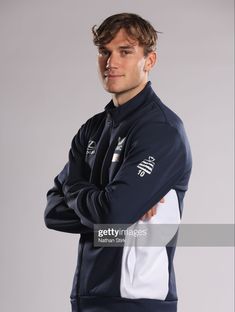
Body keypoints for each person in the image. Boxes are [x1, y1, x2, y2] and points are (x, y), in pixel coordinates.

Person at [44, 13, 192, 312]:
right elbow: (52, 212)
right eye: (104, 52)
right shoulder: (92, 129)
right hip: (86, 298)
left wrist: (88, 196)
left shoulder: (160, 131)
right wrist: (108, 203)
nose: (111, 62)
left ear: (149, 61)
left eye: (125, 52)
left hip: (137, 301)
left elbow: (111, 213)